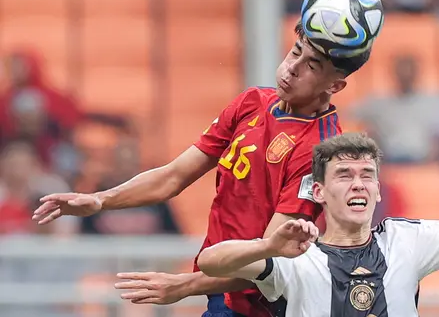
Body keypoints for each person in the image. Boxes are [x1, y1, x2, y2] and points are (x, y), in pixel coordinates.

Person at [31, 18, 372, 317]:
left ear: (335, 86)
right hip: (221, 295)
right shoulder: (252, 102)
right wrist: (100, 200)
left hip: (265, 307)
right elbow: (173, 176)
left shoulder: (321, 151)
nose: (293, 67)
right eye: (296, 50)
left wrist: (184, 285)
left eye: (312, 66)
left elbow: (270, 259)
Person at [197, 133, 439, 316]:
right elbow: (213, 261)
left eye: (367, 175)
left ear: (378, 190)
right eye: (344, 174)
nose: (358, 184)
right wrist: (267, 248)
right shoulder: (296, 254)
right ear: (318, 191)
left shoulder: (407, 240)